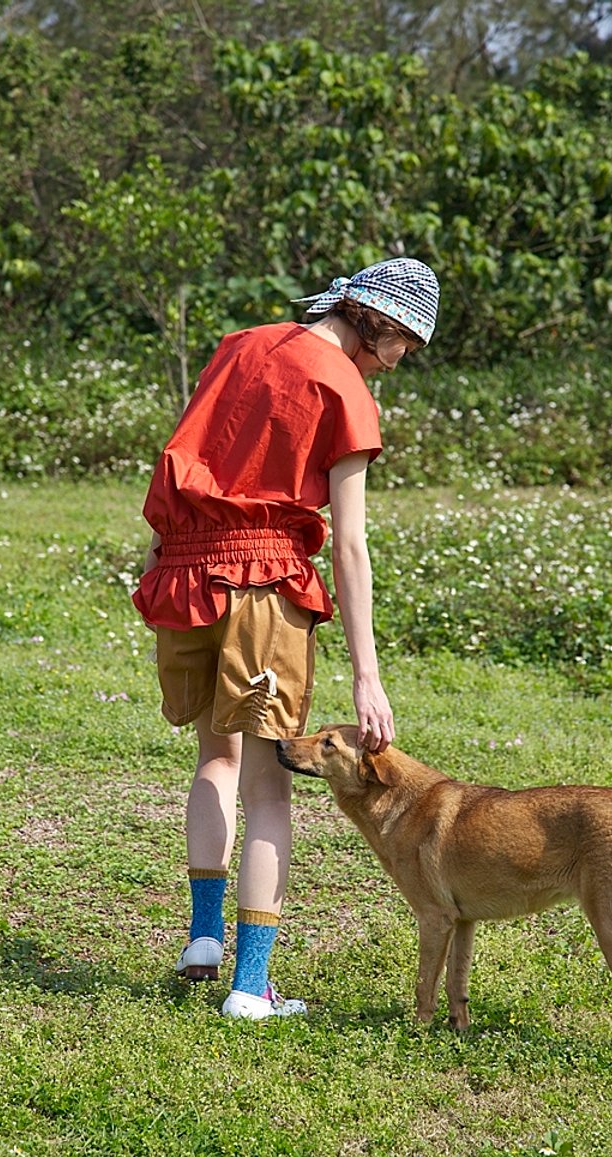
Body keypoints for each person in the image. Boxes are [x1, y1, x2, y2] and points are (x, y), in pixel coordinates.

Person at [132, 257, 440, 1019]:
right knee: (271, 787)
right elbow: (350, 545)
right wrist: (368, 676)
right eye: (405, 339)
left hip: (187, 574)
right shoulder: (345, 389)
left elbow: (181, 461)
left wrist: (158, 563)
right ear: (374, 319)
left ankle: (204, 939)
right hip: (265, 585)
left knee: (216, 755)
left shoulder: (238, 346)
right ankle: (249, 986)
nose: (402, 358)